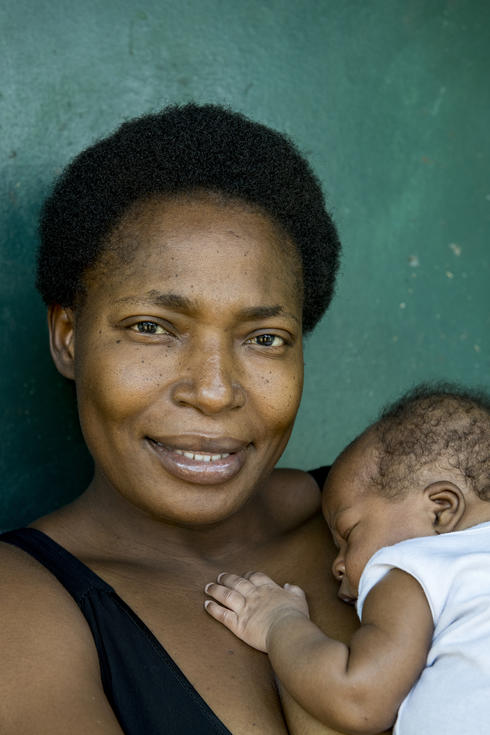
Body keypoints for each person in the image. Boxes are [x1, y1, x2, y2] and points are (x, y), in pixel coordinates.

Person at [0, 103, 358, 735]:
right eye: (152, 328)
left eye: (266, 338)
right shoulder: (21, 607)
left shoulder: (412, 516)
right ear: (67, 338)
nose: (215, 391)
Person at [204, 385, 490, 734]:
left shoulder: (414, 567)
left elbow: (358, 699)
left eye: (349, 533)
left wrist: (280, 621)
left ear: (441, 509)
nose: (337, 565)